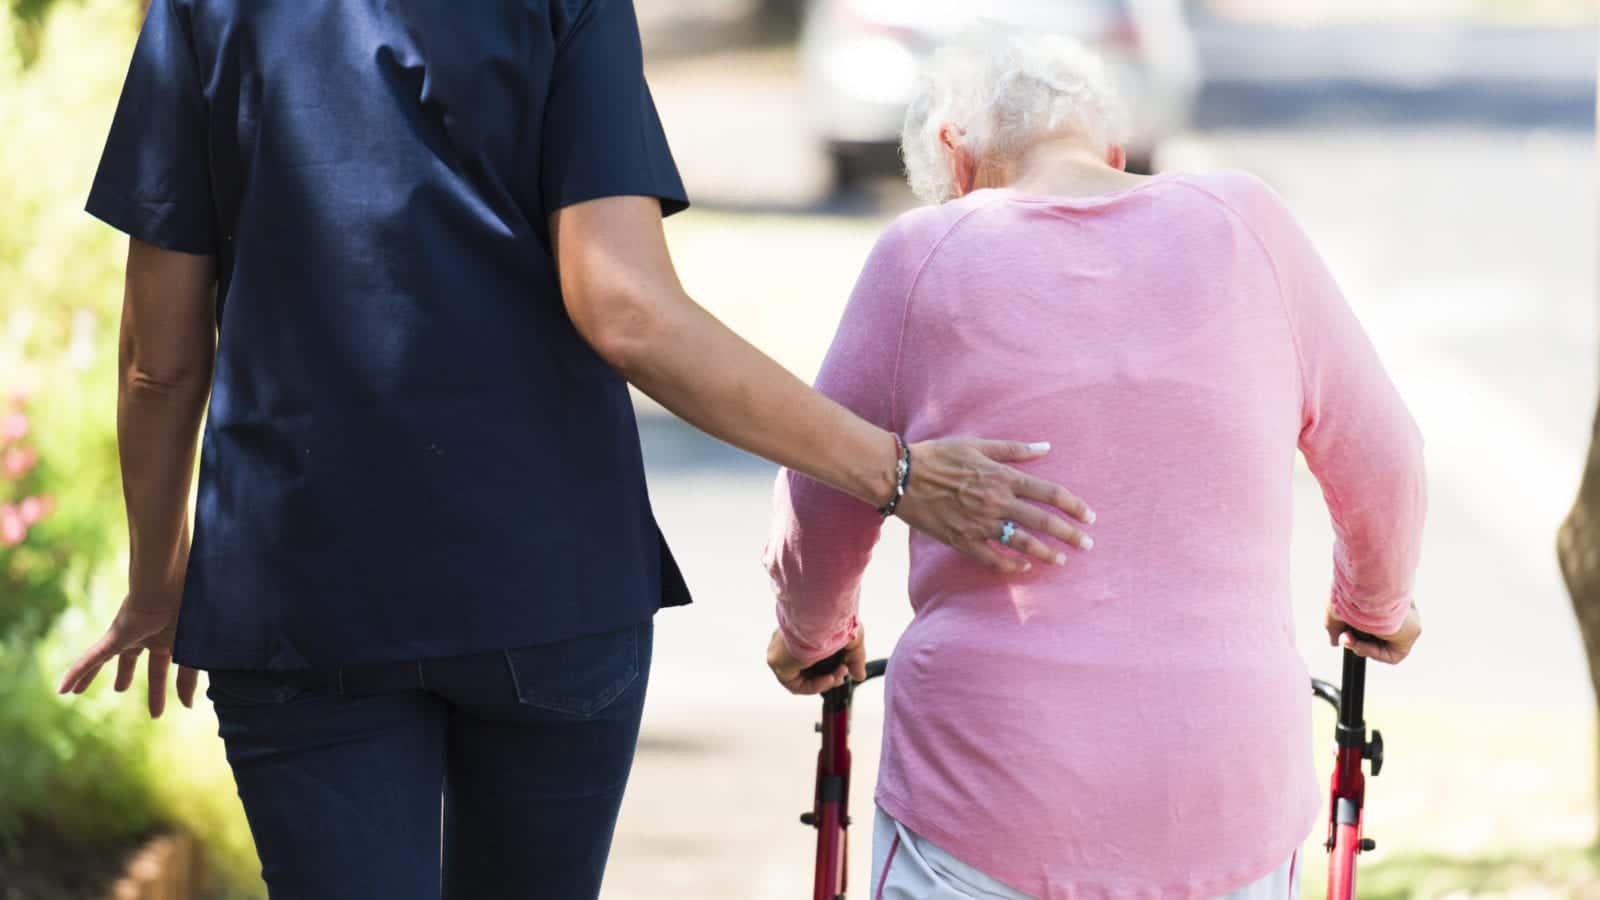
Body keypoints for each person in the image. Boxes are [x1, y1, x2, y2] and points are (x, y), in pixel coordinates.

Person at [54, 3, 1098, 898]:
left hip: (299, 590)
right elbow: (627, 309)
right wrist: (896, 474)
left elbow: (160, 356)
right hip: (545, 586)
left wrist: (156, 581)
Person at [764, 31, 1426, 900]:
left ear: (953, 158)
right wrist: (1372, 607)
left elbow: (824, 488)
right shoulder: (1248, 225)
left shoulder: (921, 253)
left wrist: (811, 638)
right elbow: (1382, 455)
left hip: (985, 791)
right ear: (1112, 153)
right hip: (1225, 788)